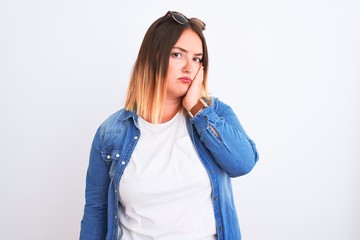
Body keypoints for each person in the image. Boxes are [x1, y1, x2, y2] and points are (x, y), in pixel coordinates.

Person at [80, 10, 259, 240]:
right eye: (177, 55)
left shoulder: (214, 114)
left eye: (196, 58)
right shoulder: (111, 133)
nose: (189, 67)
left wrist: (196, 108)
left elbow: (243, 163)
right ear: (152, 58)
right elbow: (96, 212)